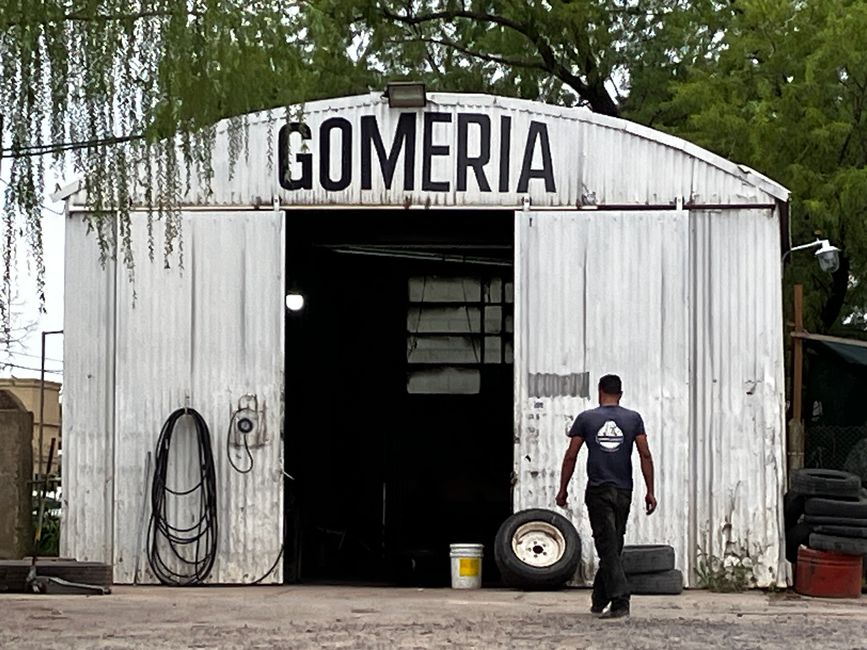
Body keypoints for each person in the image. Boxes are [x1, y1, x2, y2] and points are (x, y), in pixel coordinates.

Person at [555, 374, 656, 619]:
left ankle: (620, 600)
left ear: (599, 391)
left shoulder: (586, 419)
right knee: (613, 544)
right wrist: (650, 491)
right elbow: (645, 455)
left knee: (608, 545)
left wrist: (563, 488)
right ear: (620, 394)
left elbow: (571, 456)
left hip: (599, 489)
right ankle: (600, 598)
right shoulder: (633, 419)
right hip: (624, 490)